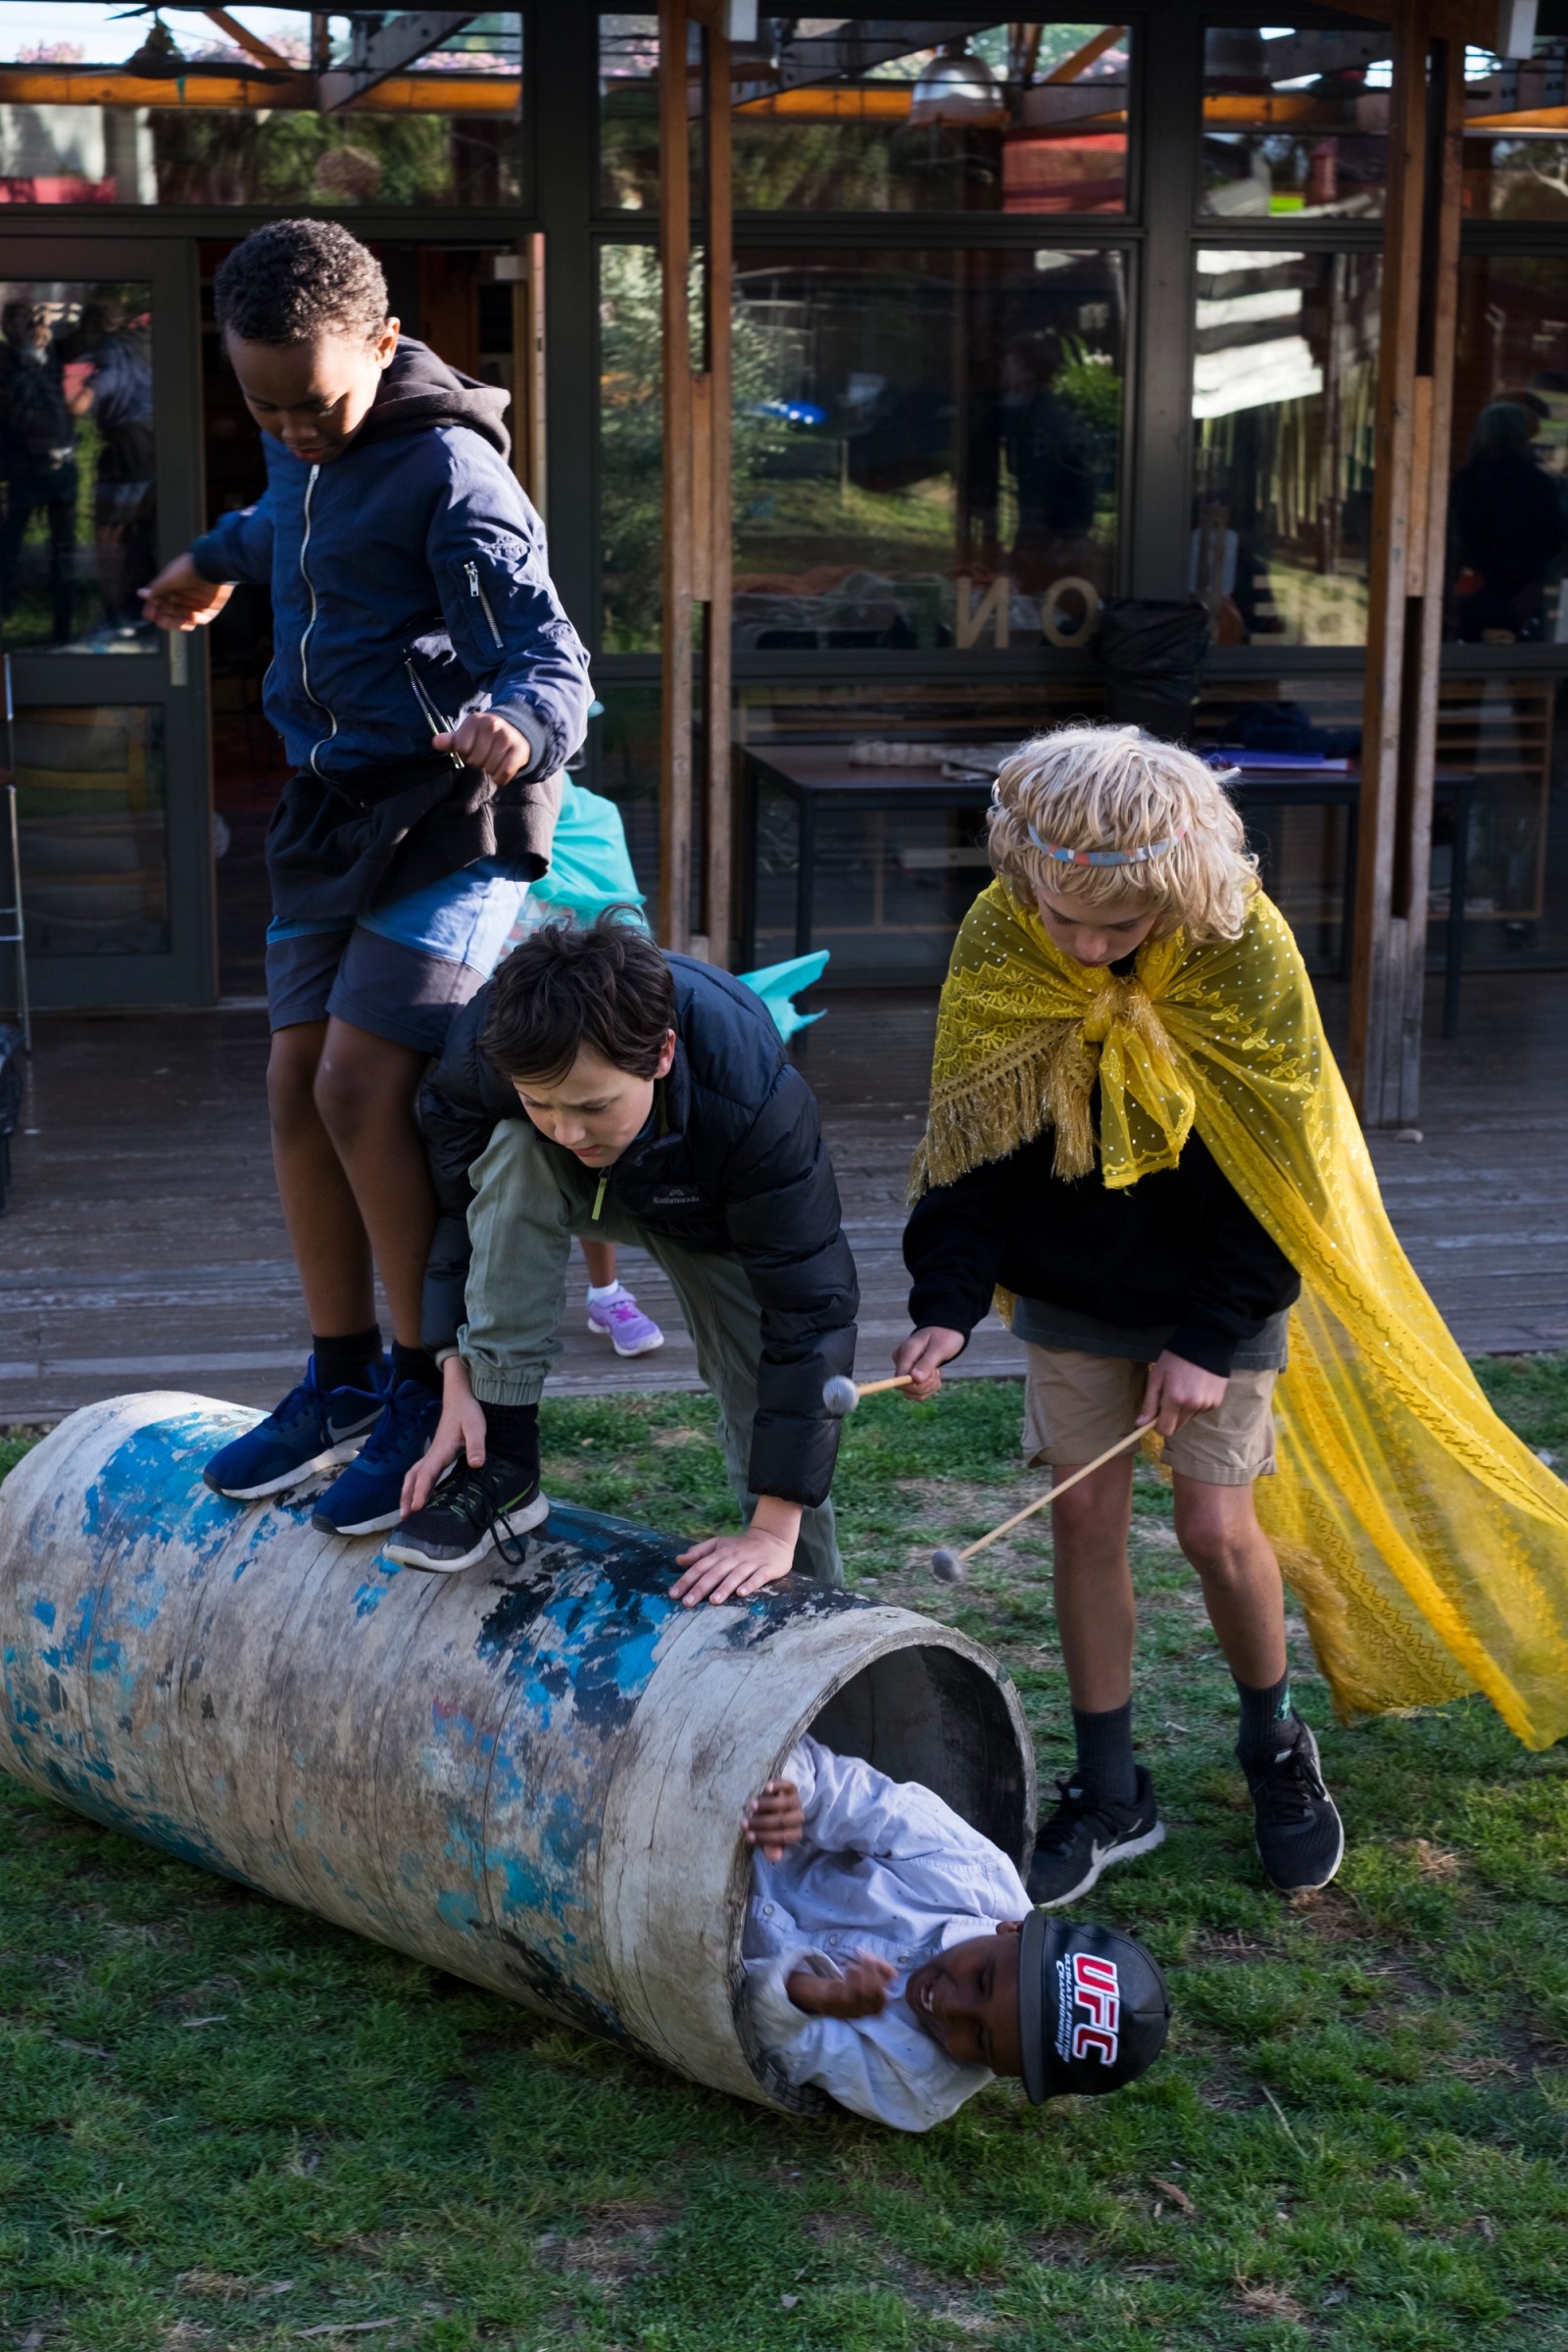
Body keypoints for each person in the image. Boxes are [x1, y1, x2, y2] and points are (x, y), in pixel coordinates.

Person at [897, 723, 1568, 1906]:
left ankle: (1274, 1745)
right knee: (1082, 1519)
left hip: (1218, 1284)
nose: (1085, 947)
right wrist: (948, 1301)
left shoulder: (1238, 942)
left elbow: (1287, 1163)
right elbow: (976, 1133)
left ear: (1174, 888)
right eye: (1063, 921)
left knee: (1214, 1527)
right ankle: (1111, 1789)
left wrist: (1209, 1338)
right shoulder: (1004, 929)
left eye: (1117, 928)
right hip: (1071, 1280)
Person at [138, 220, 592, 1536]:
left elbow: (553, 654)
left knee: (358, 1079)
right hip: (333, 813)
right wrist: (206, 568)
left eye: (313, 402)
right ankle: (336, 1375)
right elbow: (277, 514)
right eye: (260, 405)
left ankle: (417, 1376)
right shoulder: (308, 456)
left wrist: (522, 722)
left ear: (384, 348)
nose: (291, 429)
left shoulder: (452, 474)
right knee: (291, 1082)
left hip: (456, 809)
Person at [392, 912, 858, 1597]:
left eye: (592, 1105)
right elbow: (463, 1215)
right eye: (541, 1101)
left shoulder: (754, 1098)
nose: (568, 1128)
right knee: (519, 1154)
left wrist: (773, 1530)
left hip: (711, 1212)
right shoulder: (482, 1057)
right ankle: (507, 1462)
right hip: (578, 1192)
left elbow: (810, 1309)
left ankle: (824, 1604)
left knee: (759, 1392)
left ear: (662, 1053)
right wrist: (457, 1374)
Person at [739, 1735, 1169, 2132]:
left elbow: (761, 2033)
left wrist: (817, 1996)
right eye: (982, 1979)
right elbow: (842, 1787)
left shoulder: (919, 2090)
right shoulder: (972, 1870)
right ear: (1011, 1928)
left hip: (698, 1944)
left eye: (980, 2040)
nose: (949, 2005)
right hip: (744, 1824)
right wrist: (789, 1797)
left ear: (1005, 2071)